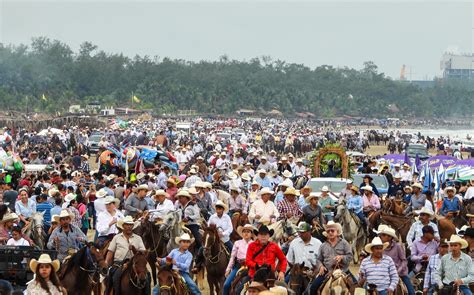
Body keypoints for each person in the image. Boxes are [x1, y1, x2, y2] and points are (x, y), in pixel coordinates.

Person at [105, 215, 147, 295]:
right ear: (123, 226)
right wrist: (107, 262)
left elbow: (143, 252)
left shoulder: (138, 238)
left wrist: (135, 249)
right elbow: (110, 252)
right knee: (115, 277)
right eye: (127, 225)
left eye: (131, 225)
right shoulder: (117, 237)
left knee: (147, 277)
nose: (129, 227)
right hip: (119, 264)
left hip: (135, 264)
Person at [310, 221, 354, 295]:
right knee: (313, 287)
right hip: (327, 272)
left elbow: (350, 256)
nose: (330, 232)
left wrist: (342, 257)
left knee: (357, 287)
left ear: (337, 232)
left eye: (332, 230)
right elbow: (318, 259)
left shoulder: (344, 243)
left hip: (343, 271)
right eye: (328, 231)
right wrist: (320, 266)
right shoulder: (323, 245)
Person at [375, 225, 415, 295]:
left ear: (390, 237)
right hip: (385, 273)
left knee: (411, 291)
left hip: (400, 273)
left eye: (384, 235)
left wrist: (398, 270)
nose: (381, 237)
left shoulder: (398, 246)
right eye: (381, 235)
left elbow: (404, 260)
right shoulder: (379, 248)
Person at [223, 224, 254, 295]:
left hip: (251, 268)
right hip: (239, 266)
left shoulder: (254, 244)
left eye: (248, 232)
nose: (246, 233)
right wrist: (228, 269)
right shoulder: (237, 243)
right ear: (242, 233)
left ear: (251, 234)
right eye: (244, 231)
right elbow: (233, 257)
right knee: (226, 285)